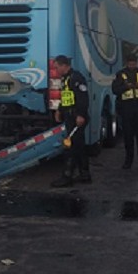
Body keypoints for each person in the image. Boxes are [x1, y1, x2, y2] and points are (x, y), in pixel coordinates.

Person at [51, 55, 90, 187]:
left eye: (57, 67)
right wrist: (59, 110)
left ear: (64, 65)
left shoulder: (76, 78)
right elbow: (65, 96)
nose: (56, 70)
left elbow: (83, 97)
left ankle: (67, 176)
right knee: (79, 146)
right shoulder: (65, 79)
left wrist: (81, 115)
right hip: (69, 116)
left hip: (76, 117)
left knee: (70, 147)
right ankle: (85, 174)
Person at [112, 54, 138, 169]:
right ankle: (128, 161)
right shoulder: (121, 74)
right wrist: (126, 87)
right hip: (126, 109)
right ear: (127, 63)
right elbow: (115, 90)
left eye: (134, 63)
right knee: (128, 137)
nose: (132, 66)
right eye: (130, 64)